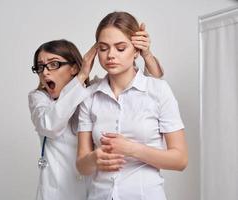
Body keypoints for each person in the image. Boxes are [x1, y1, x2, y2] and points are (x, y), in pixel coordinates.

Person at [28, 33, 163, 199]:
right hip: (57, 193)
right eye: (40, 67)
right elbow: (50, 126)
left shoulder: (94, 91)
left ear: (73, 68)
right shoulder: (39, 99)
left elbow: (151, 89)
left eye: (53, 64)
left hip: (95, 191)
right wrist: (82, 75)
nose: (45, 73)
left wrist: (146, 54)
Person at [76, 12, 188, 200]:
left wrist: (131, 149)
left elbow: (180, 160)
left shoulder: (158, 91)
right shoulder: (90, 97)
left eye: (120, 48)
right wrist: (94, 158)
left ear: (136, 50)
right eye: (103, 48)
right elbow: (81, 165)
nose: (111, 55)